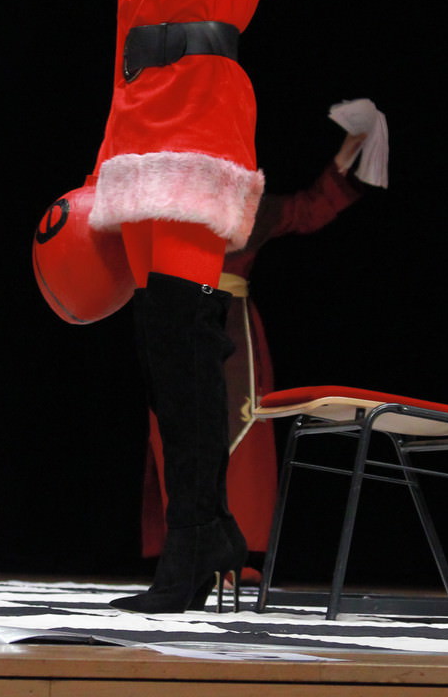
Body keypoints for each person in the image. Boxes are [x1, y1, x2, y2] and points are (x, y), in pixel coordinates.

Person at [87, 0, 318, 612]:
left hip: (201, 113)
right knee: (161, 345)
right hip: (138, 120)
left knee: (186, 340)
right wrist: (103, 161)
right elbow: (120, 44)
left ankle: (194, 546)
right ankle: (206, 528)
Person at [139, 126, 375, 567]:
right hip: (178, 319)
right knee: (179, 431)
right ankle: (186, 552)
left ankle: (234, 553)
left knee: (238, 429)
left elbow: (308, 209)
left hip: (232, 329)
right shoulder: (163, 205)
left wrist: (348, 153)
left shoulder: (251, 209)